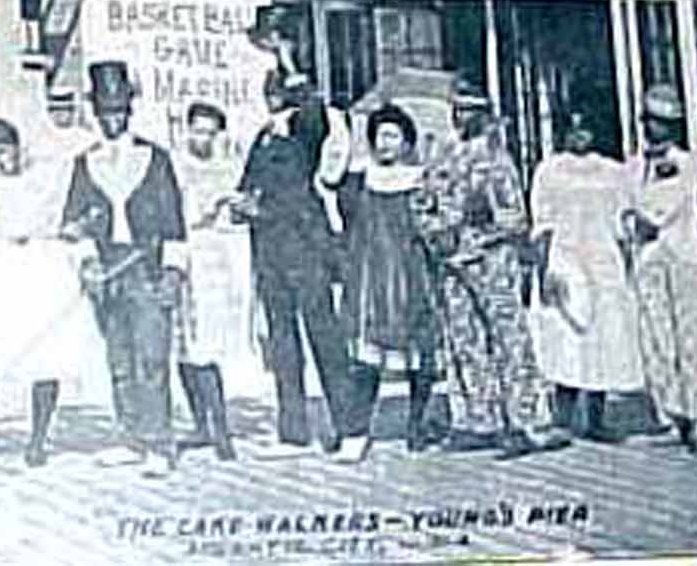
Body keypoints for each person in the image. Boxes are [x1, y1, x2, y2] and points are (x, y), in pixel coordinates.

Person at [416, 79, 570, 458]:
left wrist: (484, 224)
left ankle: (526, 421)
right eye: (456, 107)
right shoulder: (441, 155)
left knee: (509, 338)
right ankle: (476, 418)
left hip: (490, 258)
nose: (461, 115)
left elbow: (516, 218)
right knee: (462, 340)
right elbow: (421, 202)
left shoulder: (496, 159)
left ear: (483, 114)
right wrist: (435, 232)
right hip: (451, 260)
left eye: (469, 108)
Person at [60, 61, 187, 476]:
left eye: (118, 110)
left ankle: (159, 444)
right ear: (95, 113)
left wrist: (172, 274)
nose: (112, 118)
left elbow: (173, 222)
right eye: (104, 111)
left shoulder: (155, 159)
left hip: (146, 269)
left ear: (130, 109)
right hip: (108, 273)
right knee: (119, 358)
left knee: (152, 358)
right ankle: (130, 437)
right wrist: (88, 263)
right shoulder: (86, 162)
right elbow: (73, 221)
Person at [0, 119, 95, 468]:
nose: (6, 158)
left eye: (9, 148)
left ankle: (39, 438)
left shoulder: (40, 178)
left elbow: (67, 175)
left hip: (43, 270)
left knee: (46, 354)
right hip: (0, 275)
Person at [233, 68, 354, 454]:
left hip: (306, 248)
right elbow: (248, 185)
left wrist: (293, 70)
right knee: (283, 341)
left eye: (279, 94)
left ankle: (348, 426)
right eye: (269, 93)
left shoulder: (306, 129)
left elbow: (316, 113)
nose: (273, 101)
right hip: (269, 250)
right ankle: (293, 430)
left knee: (324, 335)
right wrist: (244, 204)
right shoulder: (262, 137)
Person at [334, 103, 439, 460]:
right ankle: (357, 432)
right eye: (380, 136)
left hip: (411, 274)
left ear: (406, 141)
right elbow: (345, 216)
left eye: (393, 136)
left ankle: (417, 425)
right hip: (369, 276)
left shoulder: (421, 179)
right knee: (366, 361)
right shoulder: (359, 179)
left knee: (417, 357)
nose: (386, 143)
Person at [530, 112, 641, 443]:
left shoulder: (613, 171)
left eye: (586, 126)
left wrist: (626, 266)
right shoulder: (550, 169)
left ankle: (596, 418)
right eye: (573, 126)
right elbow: (542, 224)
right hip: (564, 260)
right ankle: (562, 419)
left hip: (603, 260)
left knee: (602, 336)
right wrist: (543, 269)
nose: (579, 134)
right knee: (566, 336)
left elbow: (624, 224)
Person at [620, 84, 697, 455]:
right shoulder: (632, 167)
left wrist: (645, 211)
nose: (654, 129)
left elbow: (662, 210)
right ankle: (678, 416)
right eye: (649, 121)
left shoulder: (692, 164)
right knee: (658, 340)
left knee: (696, 342)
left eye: (662, 123)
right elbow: (626, 211)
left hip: (688, 256)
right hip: (648, 259)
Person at [174, 101, 253, 461]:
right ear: (187, 129)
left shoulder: (226, 168)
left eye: (209, 132)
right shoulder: (174, 165)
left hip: (214, 258)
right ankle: (200, 424)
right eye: (198, 130)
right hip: (180, 252)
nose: (202, 138)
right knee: (183, 344)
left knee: (207, 344)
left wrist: (238, 205)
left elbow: (241, 214)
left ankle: (221, 429)